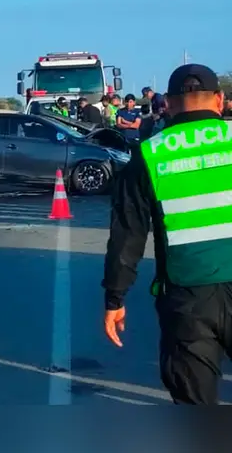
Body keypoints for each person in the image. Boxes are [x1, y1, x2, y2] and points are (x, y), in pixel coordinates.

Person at [102, 64, 232, 405]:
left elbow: (127, 235)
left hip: (188, 299)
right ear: (220, 100)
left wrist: (115, 298)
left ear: (170, 105)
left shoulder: (148, 155)